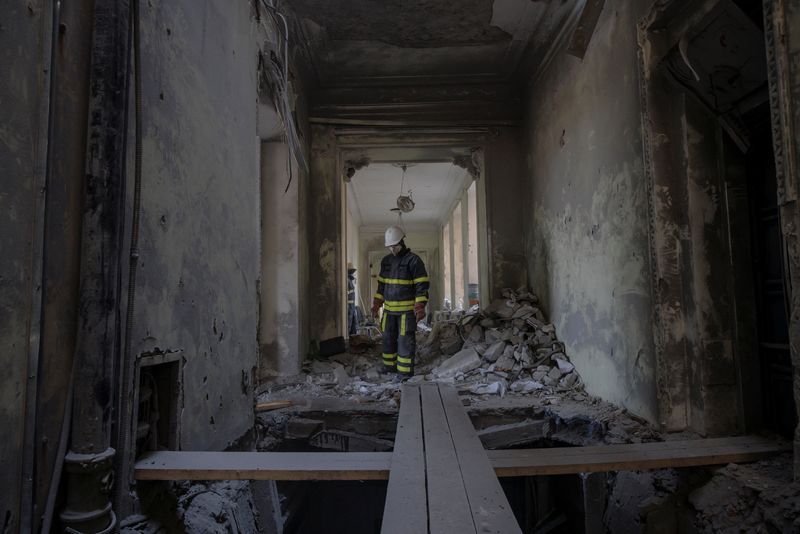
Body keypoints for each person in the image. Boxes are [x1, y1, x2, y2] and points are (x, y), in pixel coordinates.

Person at [371, 226, 429, 379]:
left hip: (406, 313)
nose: (392, 249)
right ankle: (389, 367)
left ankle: (404, 372)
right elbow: (382, 286)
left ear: (402, 242)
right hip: (389, 312)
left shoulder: (414, 260)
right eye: (389, 246)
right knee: (388, 339)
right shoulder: (386, 261)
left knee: (404, 342)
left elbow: (421, 285)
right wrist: (377, 303)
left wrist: (420, 306)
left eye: (394, 246)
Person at [347, 262, 358, 336]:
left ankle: (352, 337)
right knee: (348, 323)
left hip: (352, 306)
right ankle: (348, 338)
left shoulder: (350, 281)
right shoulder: (347, 281)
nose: (352, 273)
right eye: (351, 271)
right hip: (349, 305)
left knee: (352, 323)